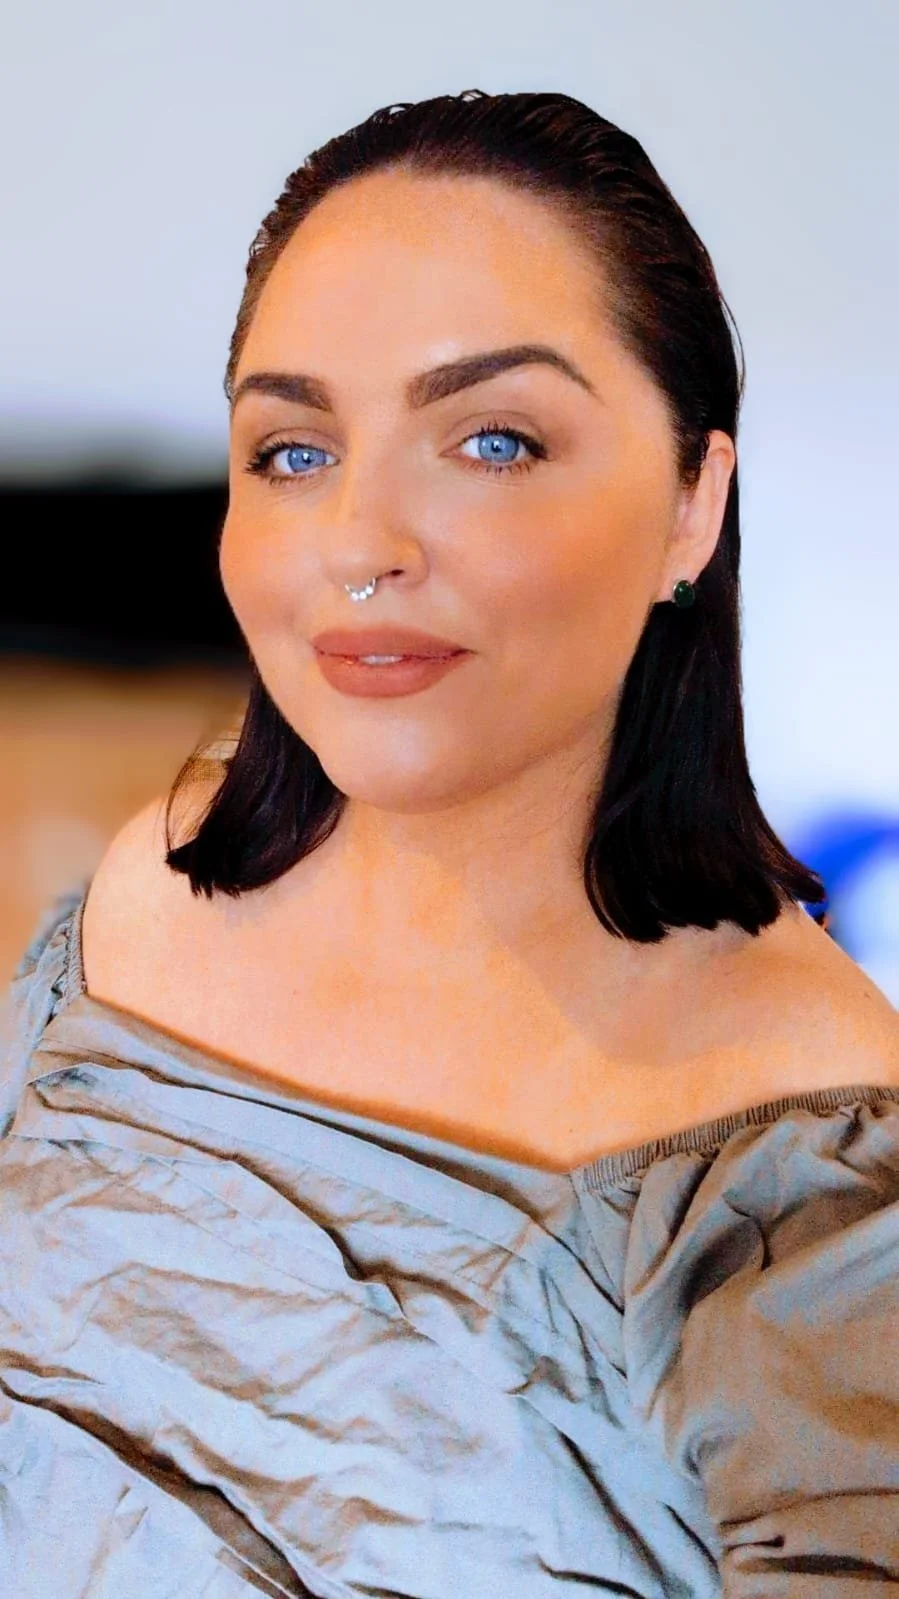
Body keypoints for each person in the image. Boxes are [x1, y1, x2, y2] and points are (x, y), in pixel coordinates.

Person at [2, 89, 897, 1598]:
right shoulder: (146, 886)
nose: (362, 542)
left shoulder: (807, 1163)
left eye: (489, 438)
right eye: (291, 450)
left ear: (694, 501)